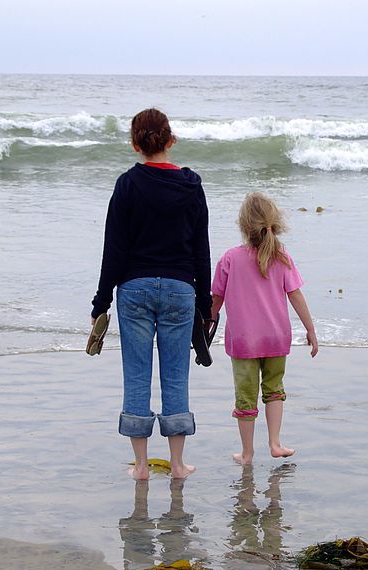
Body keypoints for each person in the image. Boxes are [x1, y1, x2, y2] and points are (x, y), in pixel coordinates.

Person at [91, 108, 211, 480]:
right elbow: (201, 250)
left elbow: (114, 248)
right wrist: (205, 304)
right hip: (180, 289)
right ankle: (177, 465)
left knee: (137, 375)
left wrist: (101, 301)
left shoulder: (127, 184)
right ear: (170, 140)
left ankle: (141, 467)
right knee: (176, 376)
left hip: (135, 289)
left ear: (134, 144)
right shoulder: (191, 186)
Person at [211, 192, 318, 465]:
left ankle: (247, 453)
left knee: (246, 397)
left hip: (244, 341)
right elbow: (296, 295)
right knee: (274, 389)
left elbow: (216, 299)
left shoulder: (230, 259)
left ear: (244, 225)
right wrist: (311, 330)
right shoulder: (281, 256)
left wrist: (205, 324)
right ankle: (275, 443)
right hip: (275, 337)